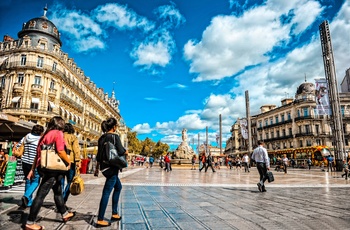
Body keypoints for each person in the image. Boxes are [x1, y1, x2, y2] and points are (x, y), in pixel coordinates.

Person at [25, 116, 75, 230]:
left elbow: (38, 155)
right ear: (60, 124)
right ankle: (30, 222)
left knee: (57, 191)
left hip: (43, 167)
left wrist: (33, 169)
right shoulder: (58, 133)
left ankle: (64, 213)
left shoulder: (44, 136)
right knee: (41, 195)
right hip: (53, 168)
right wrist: (69, 162)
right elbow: (61, 151)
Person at [94, 117, 127, 227]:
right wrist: (126, 152)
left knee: (118, 187)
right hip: (112, 167)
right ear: (114, 127)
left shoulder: (101, 138)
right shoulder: (114, 137)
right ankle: (100, 218)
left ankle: (114, 213)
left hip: (104, 168)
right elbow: (121, 151)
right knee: (106, 192)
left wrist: (97, 168)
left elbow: (98, 156)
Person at [15, 125, 44, 209]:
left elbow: (18, 146)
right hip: (35, 163)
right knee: (35, 181)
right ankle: (27, 196)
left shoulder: (26, 137)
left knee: (28, 180)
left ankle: (28, 202)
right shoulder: (40, 139)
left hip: (24, 161)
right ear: (41, 132)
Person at [61, 123, 81, 206]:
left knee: (60, 181)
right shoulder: (73, 137)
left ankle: (60, 198)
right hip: (71, 161)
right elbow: (76, 149)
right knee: (70, 181)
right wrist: (78, 161)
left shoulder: (60, 136)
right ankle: (63, 199)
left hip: (60, 161)